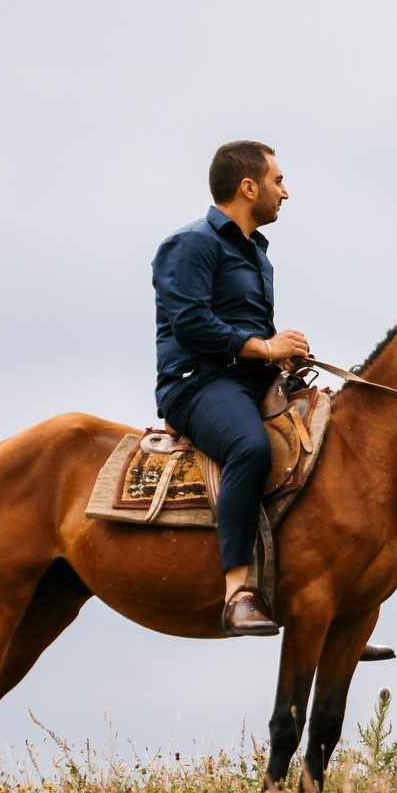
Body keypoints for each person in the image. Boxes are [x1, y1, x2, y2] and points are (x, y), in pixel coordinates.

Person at [152, 140, 312, 638]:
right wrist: (266, 347)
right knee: (250, 448)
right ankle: (237, 594)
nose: (285, 192)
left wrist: (281, 355)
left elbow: (247, 331)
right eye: (278, 181)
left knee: (328, 438)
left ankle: (327, 599)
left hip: (251, 381)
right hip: (197, 383)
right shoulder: (191, 244)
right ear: (248, 187)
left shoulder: (257, 255)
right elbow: (190, 321)